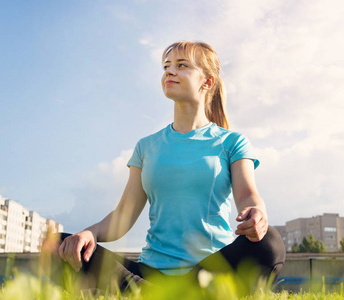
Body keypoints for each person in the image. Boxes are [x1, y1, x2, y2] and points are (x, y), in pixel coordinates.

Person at [42, 41, 286, 294]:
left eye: (182, 65)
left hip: (210, 272)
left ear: (207, 81)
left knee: (269, 242)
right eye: (167, 66)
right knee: (58, 246)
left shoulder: (232, 142)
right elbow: (123, 216)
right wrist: (88, 233)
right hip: (150, 272)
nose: (169, 71)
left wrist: (256, 214)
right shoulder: (146, 147)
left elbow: (247, 196)